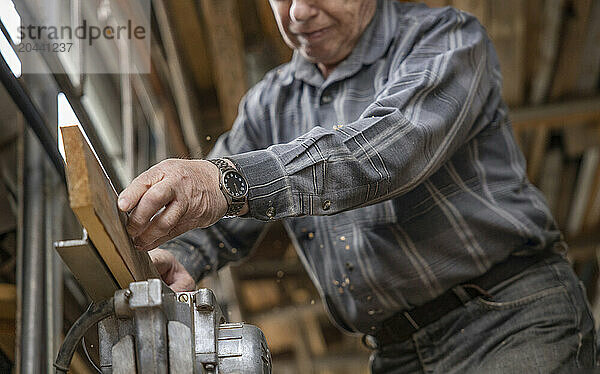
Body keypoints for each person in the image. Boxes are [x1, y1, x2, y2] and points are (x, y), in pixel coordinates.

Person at [117, 0, 597, 372]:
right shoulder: (269, 104)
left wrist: (224, 178)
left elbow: (386, 153)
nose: (299, 12)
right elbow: (218, 223)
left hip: (509, 318)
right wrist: (185, 256)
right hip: (394, 353)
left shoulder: (446, 39)